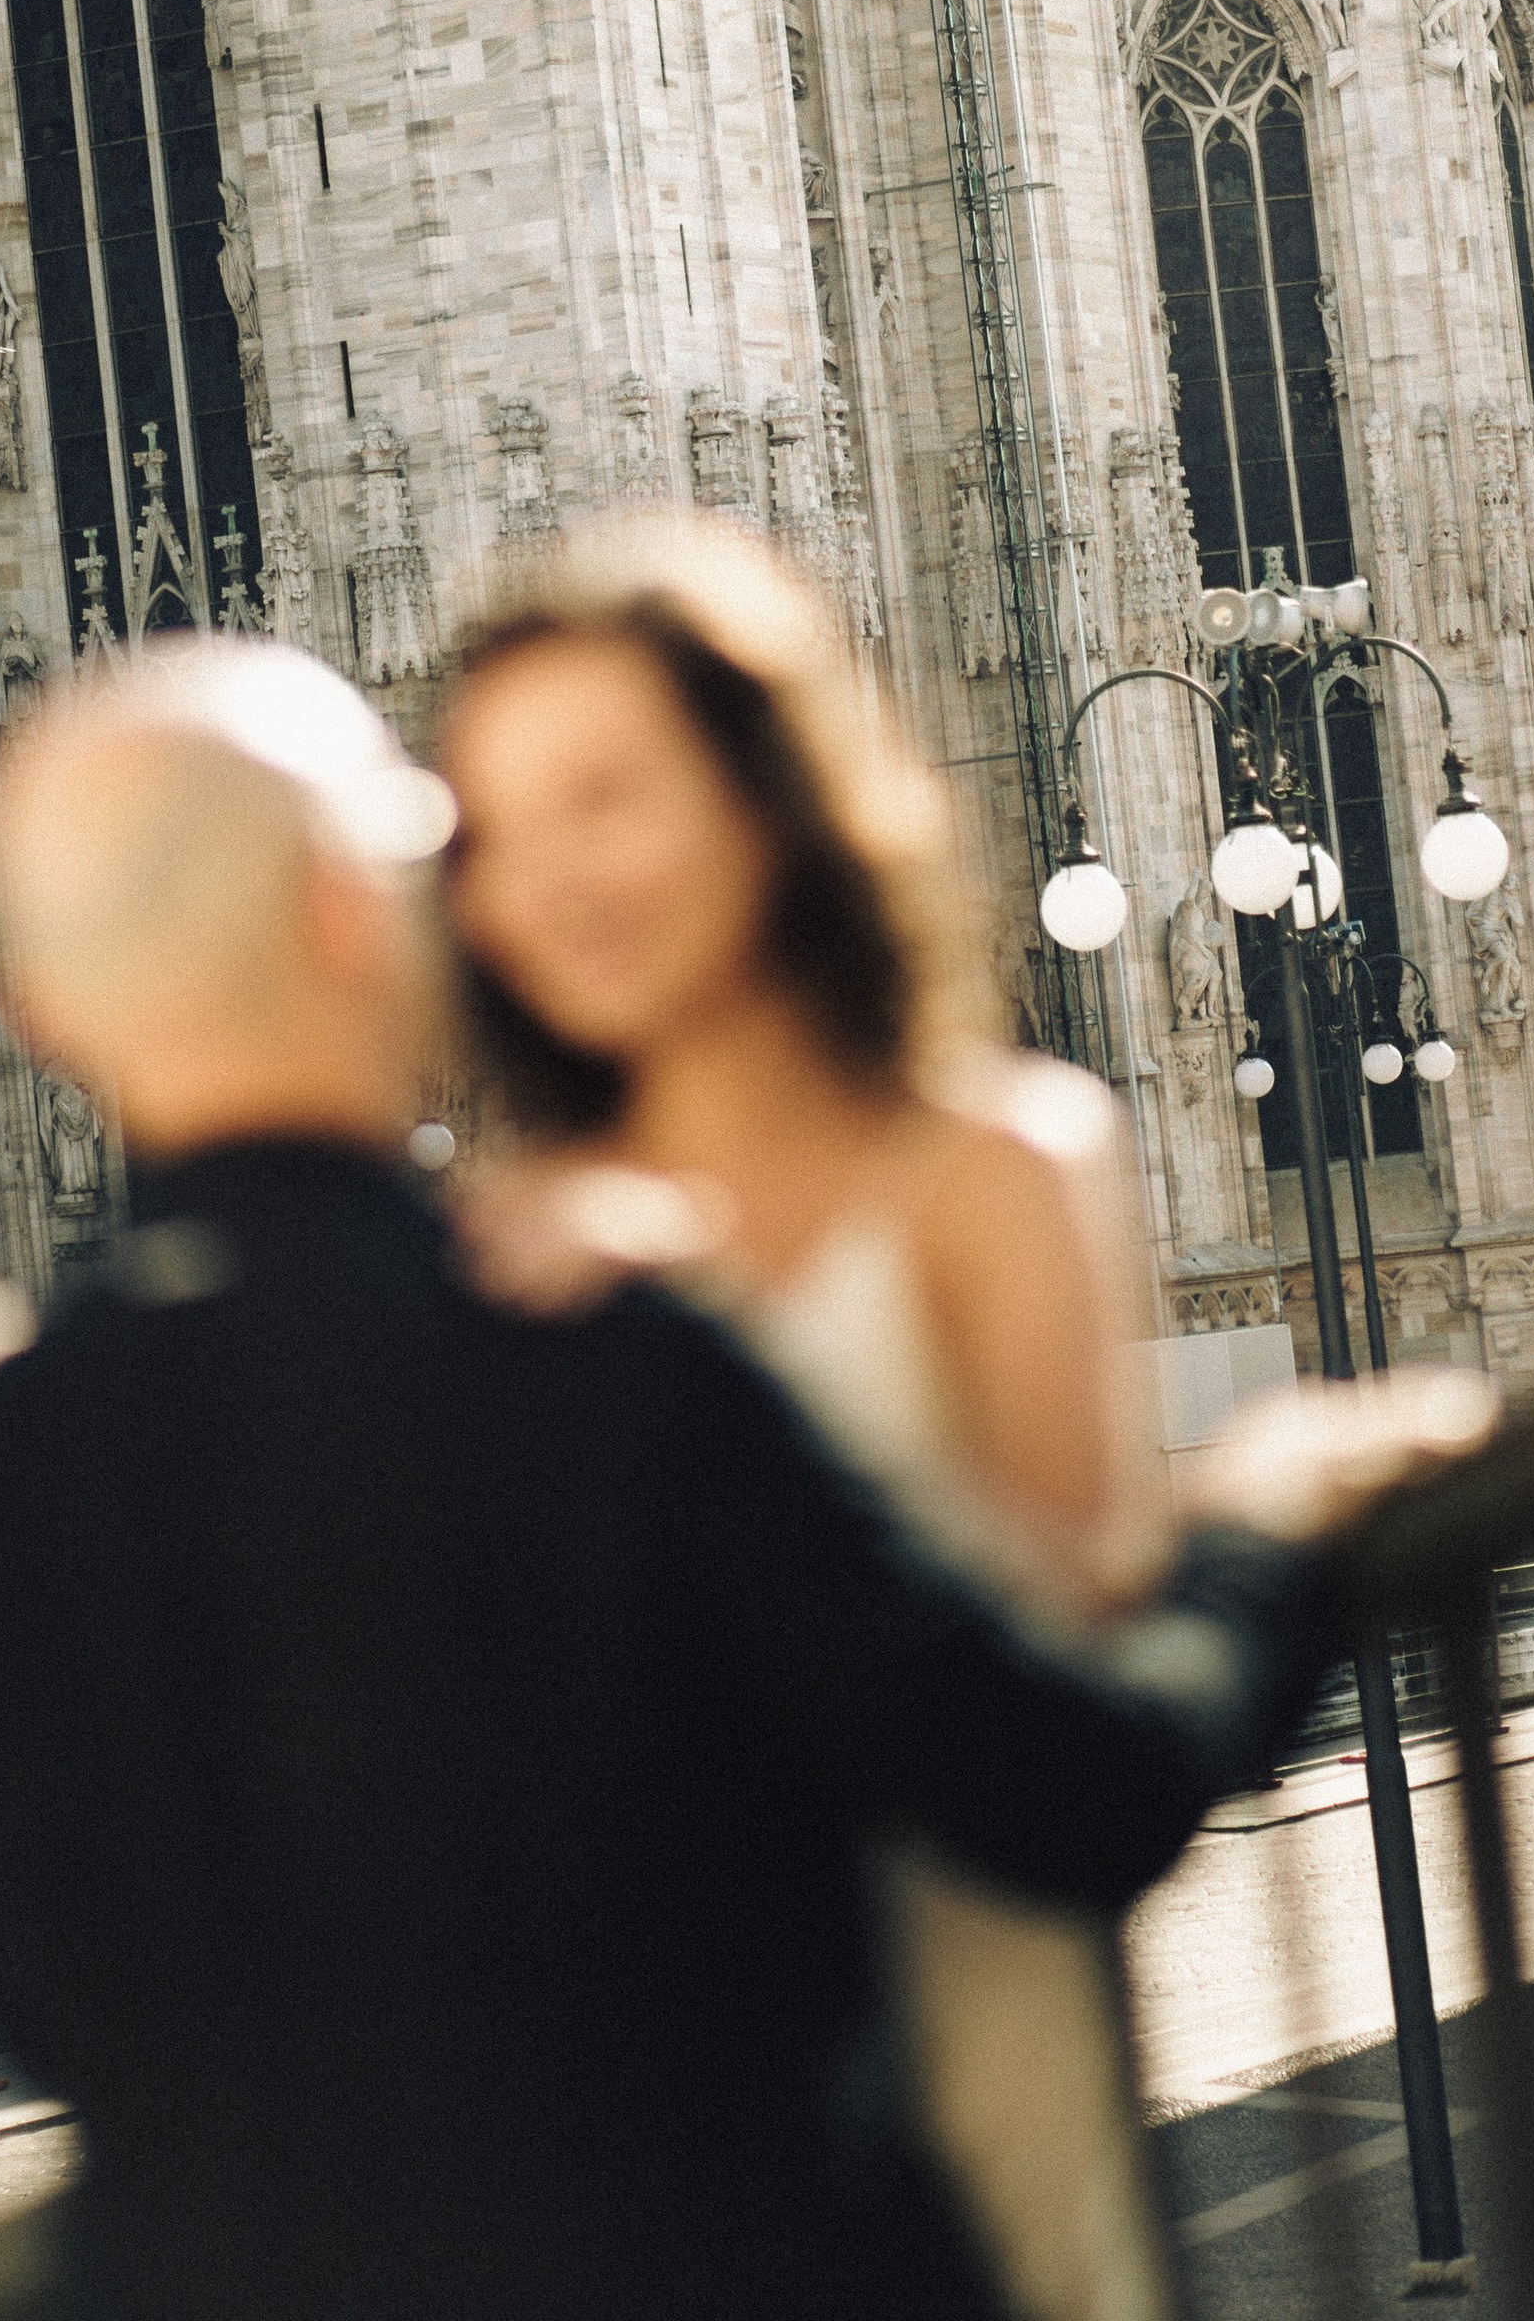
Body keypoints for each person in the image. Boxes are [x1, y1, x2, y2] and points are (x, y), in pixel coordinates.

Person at [0, 638, 1489, 2321]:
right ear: (360, 917)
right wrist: (1265, 1516)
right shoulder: (594, 1356)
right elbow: (1072, 1789)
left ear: (37, 1012)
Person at [435, 519, 1171, 2321]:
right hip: (647, 2147)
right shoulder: (497, 1240)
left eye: (605, 794)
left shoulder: (996, 1163)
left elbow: (1067, 1683)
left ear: (767, 793)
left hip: (966, 2054)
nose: (547, 882)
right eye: (491, 832)